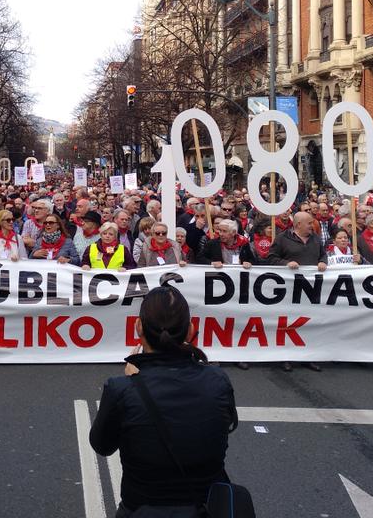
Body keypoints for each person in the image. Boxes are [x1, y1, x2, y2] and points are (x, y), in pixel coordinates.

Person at [89, 286, 254, 518]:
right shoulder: (218, 381)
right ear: (190, 330)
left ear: (139, 328)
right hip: (205, 508)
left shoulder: (122, 388)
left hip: (139, 509)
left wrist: (131, 384)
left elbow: (102, 445)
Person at [263, 212, 326, 372]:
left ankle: (308, 357)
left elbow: (323, 255)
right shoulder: (282, 239)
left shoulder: (316, 239)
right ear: (298, 225)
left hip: (310, 291)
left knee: (309, 323)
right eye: (309, 223)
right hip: (288, 291)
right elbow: (270, 258)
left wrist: (322, 262)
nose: (312, 226)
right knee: (289, 324)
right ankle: (286, 357)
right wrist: (285, 263)